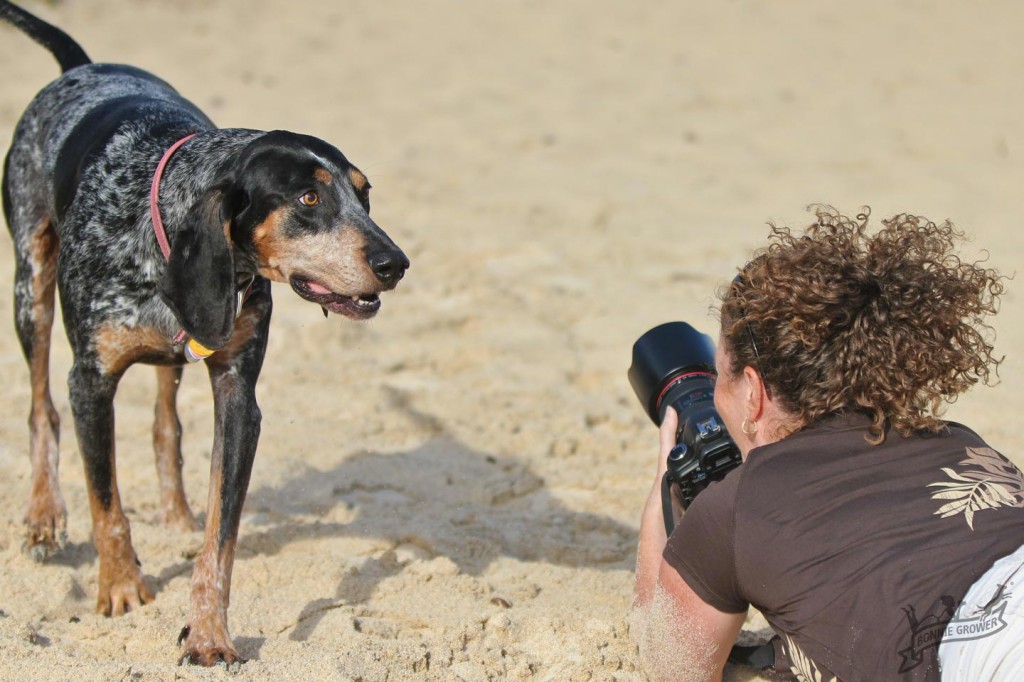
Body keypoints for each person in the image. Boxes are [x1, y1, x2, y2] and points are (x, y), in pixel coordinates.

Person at [630, 206, 1024, 681]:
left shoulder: (737, 506)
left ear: (753, 391)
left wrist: (663, 488)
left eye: (723, 375)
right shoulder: (954, 439)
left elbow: (669, 664)